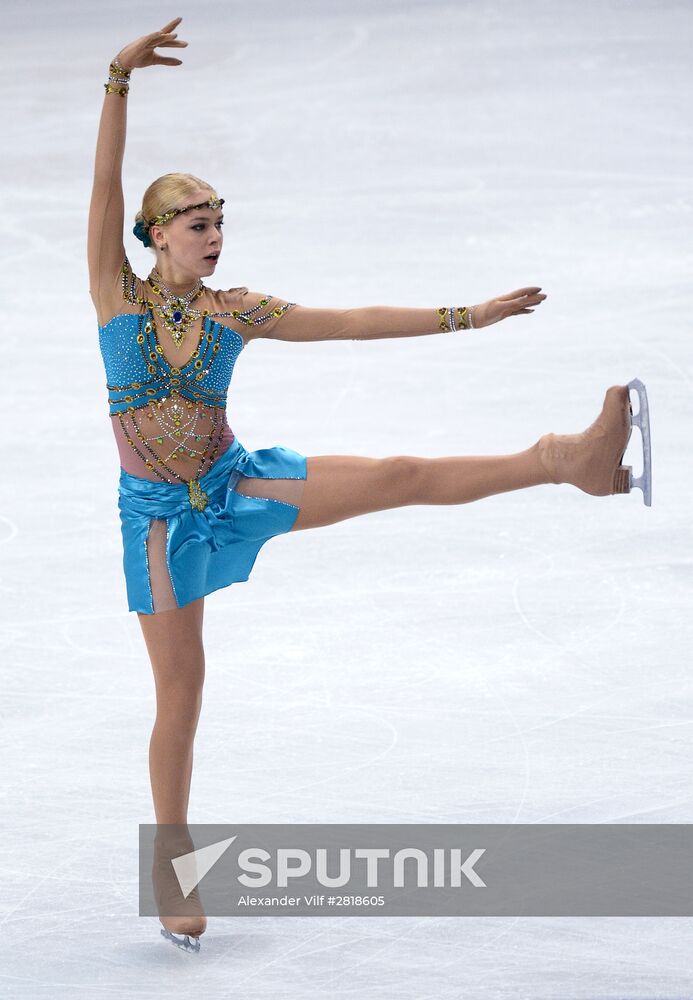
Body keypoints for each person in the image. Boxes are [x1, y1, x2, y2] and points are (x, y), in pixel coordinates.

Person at [87, 18, 651, 952]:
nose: (217, 237)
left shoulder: (240, 312)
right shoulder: (116, 296)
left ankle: (565, 461)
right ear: (157, 236)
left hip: (238, 488)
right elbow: (101, 189)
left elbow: (350, 322)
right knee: (181, 694)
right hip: (159, 526)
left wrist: (465, 317)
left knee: (397, 474)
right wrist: (117, 79)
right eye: (200, 225)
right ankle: (172, 857)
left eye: (223, 222)